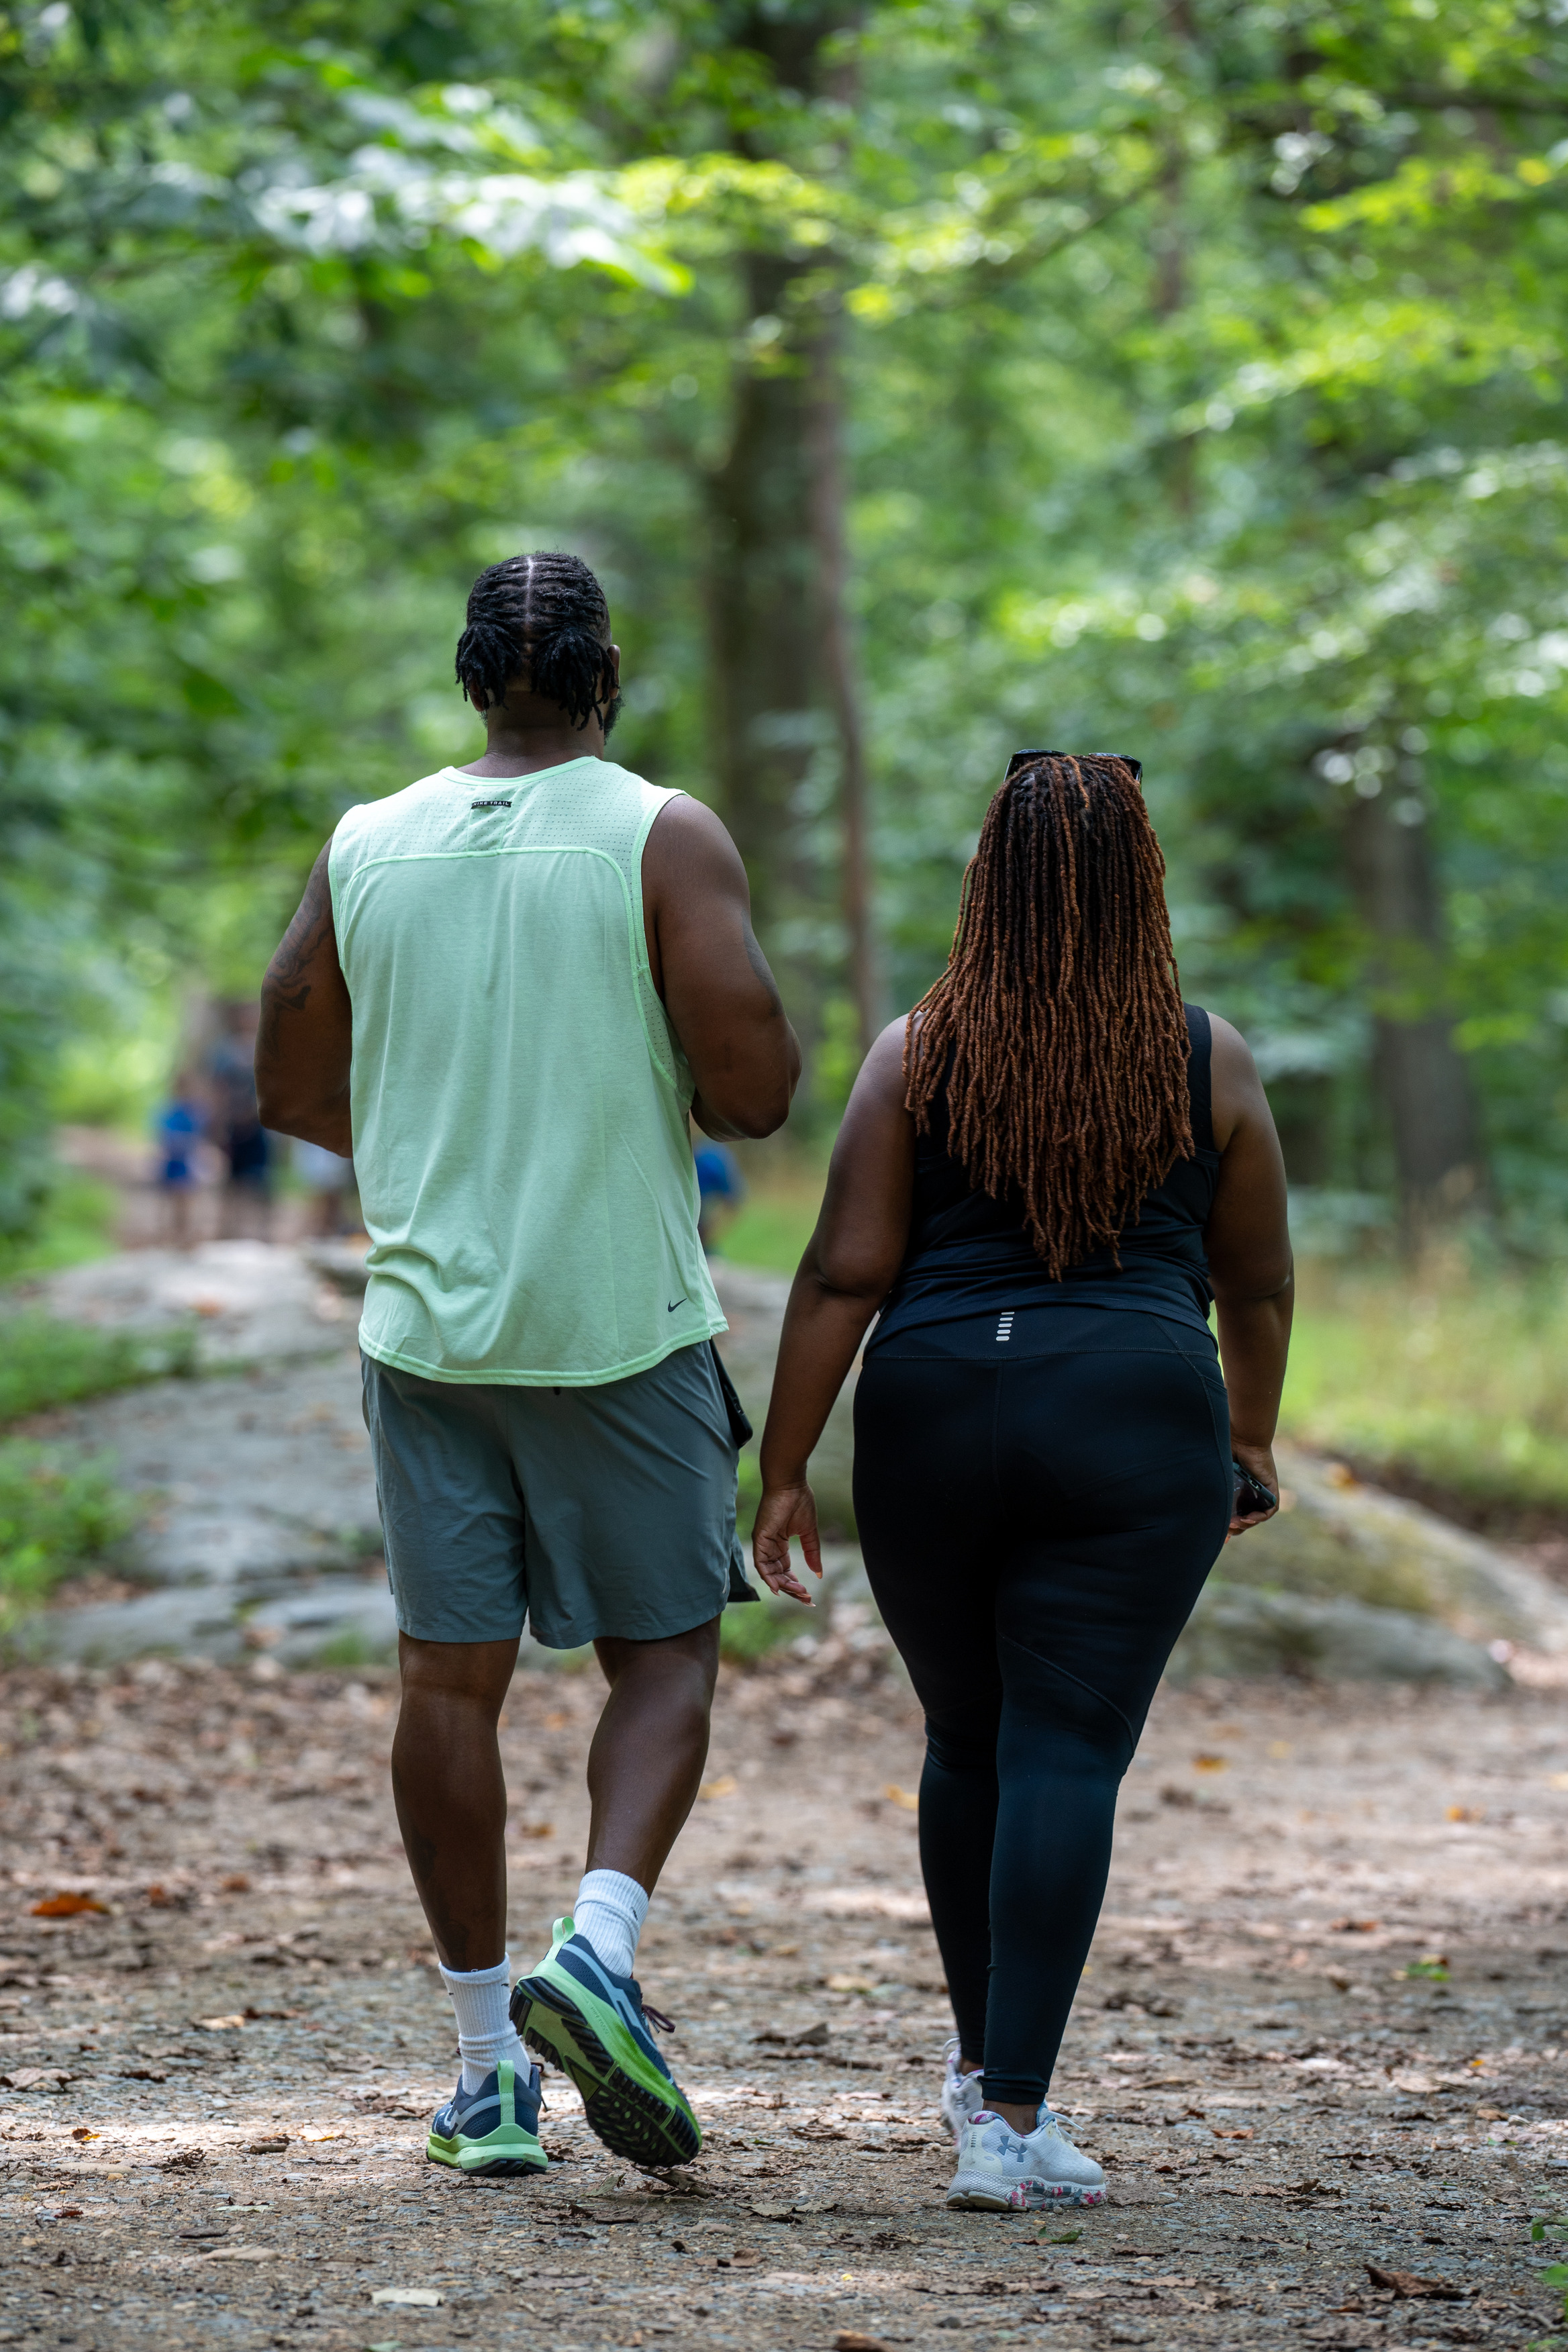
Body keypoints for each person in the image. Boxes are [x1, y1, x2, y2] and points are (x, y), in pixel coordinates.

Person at [254, 551, 800, 2184]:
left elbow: (288, 1080)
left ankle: (488, 2066)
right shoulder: (658, 831)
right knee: (664, 1655)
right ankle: (602, 1948)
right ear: (603, 672)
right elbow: (759, 1084)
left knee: (445, 1683)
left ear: (470, 671)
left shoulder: (365, 843)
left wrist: (428, 1144)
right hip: (615, 1322)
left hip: (427, 1329)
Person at [752, 750, 1292, 2214]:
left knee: (969, 1740)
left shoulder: (914, 1049)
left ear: (990, 878)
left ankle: (978, 2082)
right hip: (1128, 1411)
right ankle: (1008, 2115)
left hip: (931, 1410)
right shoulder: (1203, 1055)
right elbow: (1254, 1278)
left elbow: (843, 1270)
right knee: (1065, 1747)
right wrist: (1248, 1441)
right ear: (1142, 885)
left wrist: (785, 1464)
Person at [209, 1001, 272, 1238]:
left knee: (262, 1180)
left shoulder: (265, 1047)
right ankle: (226, 1229)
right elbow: (218, 1088)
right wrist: (219, 1122)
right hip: (233, 1124)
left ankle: (262, 1232)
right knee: (231, 1179)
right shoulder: (225, 1051)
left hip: (260, 1123)